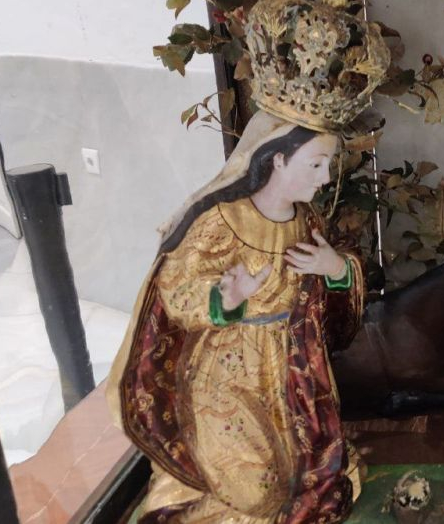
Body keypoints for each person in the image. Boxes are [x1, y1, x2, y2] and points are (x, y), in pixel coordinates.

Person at [105, 110, 366, 522]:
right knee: (256, 493)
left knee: (316, 475)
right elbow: (175, 288)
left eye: (328, 164)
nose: (326, 178)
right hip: (227, 375)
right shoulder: (221, 220)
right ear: (278, 159)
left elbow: (329, 291)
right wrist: (227, 298)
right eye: (316, 164)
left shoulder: (307, 219)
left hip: (293, 372)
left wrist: (334, 267)